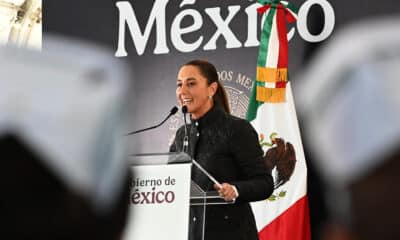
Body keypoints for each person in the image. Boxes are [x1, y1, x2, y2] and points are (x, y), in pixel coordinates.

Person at [170, 59, 274, 240]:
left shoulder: (237, 129)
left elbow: (265, 183)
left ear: (212, 89)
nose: (183, 91)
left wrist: (235, 189)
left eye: (191, 83)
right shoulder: (181, 136)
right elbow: (171, 182)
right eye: (179, 85)